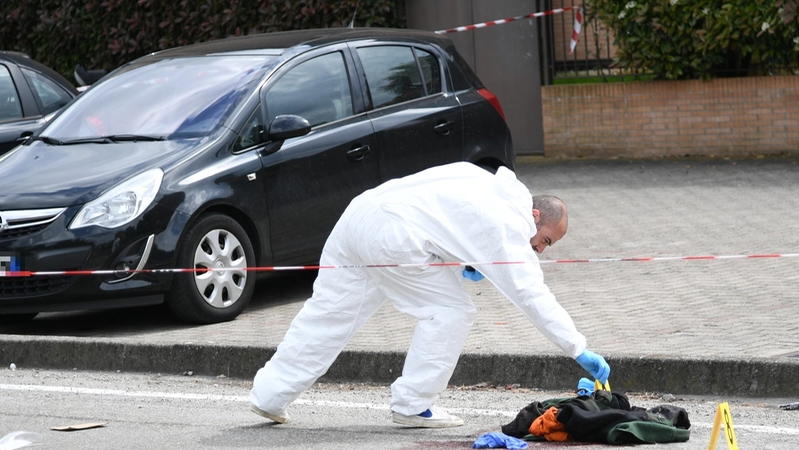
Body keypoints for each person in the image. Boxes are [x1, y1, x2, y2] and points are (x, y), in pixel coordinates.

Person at [248, 161, 610, 428]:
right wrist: (577, 347)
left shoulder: (482, 180)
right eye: (545, 239)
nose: (540, 249)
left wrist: (456, 262)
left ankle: (269, 394)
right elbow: (531, 293)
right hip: (393, 236)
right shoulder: (510, 222)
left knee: (327, 315)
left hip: (358, 217)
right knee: (451, 312)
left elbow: (440, 218)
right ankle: (412, 405)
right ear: (534, 215)